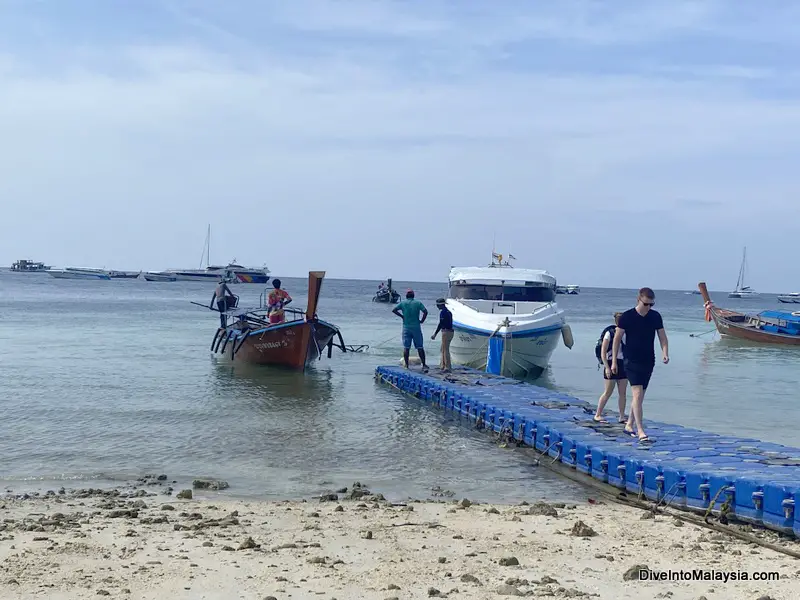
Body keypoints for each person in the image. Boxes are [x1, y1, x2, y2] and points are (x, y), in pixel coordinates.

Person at [611, 287, 669, 443]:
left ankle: (629, 424)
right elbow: (616, 340)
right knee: (637, 394)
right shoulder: (627, 317)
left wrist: (665, 352)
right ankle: (641, 430)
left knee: (640, 396)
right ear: (639, 300)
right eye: (646, 304)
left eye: (651, 304)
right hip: (631, 360)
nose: (649, 307)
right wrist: (615, 361)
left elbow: (662, 337)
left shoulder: (655, 317)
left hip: (649, 360)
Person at [594, 312, 628, 424]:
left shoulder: (626, 333)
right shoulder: (609, 333)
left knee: (622, 392)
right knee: (608, 392)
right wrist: (607, 367)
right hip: (609, 362)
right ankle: (598, 414)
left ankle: (622, 416)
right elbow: (603, 352)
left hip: (622, 363)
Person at [392, 289, 429, 372]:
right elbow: (425, 312)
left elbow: (394, 310)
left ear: (406, 296)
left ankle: (406, 366)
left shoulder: (403, 303)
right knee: (420, 347)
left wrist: (402, 316)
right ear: (413, 295)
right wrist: (422, 320)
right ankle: (424, 364)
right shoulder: (418, 303)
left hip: (406, 327)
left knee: (406, 347)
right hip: (416, 327)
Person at [431, 298, 454, 372]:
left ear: (440, 305)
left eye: (438, 305)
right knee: (443, 348)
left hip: (446, 332)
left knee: (445, 349)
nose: (437, 307)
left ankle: (447, 367)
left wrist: (435, 334)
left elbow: (441, 324)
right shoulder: (449, 312)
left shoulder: (443, 313)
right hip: (450, 332)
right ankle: (443, 365)